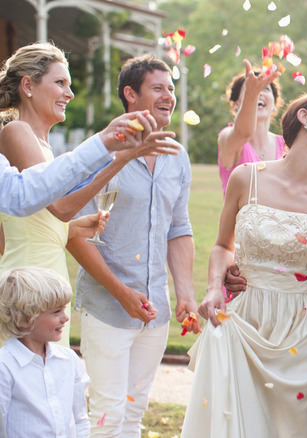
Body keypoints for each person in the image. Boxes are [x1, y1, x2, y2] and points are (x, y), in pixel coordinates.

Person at [181, 88, 307, 437]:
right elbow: (221, 245)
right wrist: (215, 286)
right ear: (305, 117)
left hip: (305, 336)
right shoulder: (247, 177)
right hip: (246, 321)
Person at [67, 54, 201, 438]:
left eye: (171, 89)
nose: (168, 96)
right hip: (108, 307)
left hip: (153, 311)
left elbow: (179, 228)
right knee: (107, 417)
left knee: (133, 413)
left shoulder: (178, 157)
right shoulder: (100, 153)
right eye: (158, 88)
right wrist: (121, 292)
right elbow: (75, 233)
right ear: (130, 94)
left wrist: (185, 294)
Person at [0, 42, 162, 346]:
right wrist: (123, 158)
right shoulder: (17, 132)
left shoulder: (42, 145)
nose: (69, 94)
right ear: (28, 86)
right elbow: (60, 206)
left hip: (47, 272)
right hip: (29, 282)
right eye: (60, 82)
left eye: (69, 85)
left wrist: (70, 229)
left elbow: (29, 222)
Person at [0, 267, 90, 438]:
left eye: (64, 309)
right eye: (56, 312)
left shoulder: (69, 360)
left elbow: (80, 419)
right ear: (24, 318)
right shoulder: (5, 367)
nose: (66, 317)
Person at [217, 60, 285, 193]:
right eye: (249, 88)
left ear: (275, 104)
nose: (259, 92)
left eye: (265, 88)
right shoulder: (227, 137)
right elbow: (243, 133)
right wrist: (251, 94)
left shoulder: (286, 145)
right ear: (236, 104)